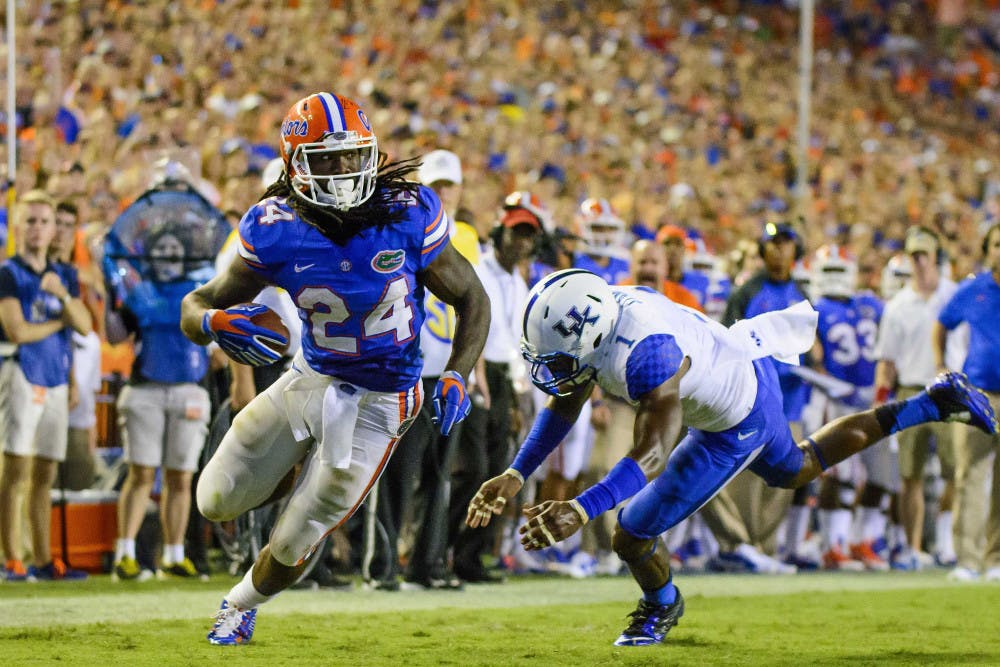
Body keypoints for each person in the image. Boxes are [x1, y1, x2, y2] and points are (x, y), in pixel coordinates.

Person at [467, 269, 997, 647]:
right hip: (735, 363)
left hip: (737, 415)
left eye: (557, 359)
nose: (552, 370)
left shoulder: (647, 351)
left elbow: (651, 455)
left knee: (630, 533)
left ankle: (660, 605)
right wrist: (516, 472)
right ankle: (932, 403)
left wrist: (580, 509)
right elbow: (567, 400)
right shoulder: (603, 314)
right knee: (797, 467)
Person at [180, 92, 489, 645]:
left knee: (297, 535)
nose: (344, 169)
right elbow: (196, 303)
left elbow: (473, 297)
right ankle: (293, 468)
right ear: (296, 164)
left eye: (353, 155)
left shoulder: (408, 212)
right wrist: (213, 323)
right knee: (215, 500)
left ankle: (239, 605)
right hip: (311, 377)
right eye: (327, 158)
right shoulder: (275, 226)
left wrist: (457, 373)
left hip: (383, 400)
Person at [374, 148, 479, 590]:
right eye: (436, 185)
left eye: (449, 185)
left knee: (440, 473)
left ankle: (426, 563)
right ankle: (382, 565)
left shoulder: (468, 236)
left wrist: (471, 370)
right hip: (409, 366)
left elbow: (472, 307)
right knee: (398, 473)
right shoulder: (404, 225)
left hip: (447, 367)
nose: (443, 193)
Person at [109, 223, 213, 581]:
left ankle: (173, 554)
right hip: (146, 389)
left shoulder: (200, 290)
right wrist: (111, 293)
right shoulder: (140, 292)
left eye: (175, 247)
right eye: (162, 247)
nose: (169, 253)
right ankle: (124, 553)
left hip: (188, 388)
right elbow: (115, 334)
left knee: (181, 476)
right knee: (141, 473)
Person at [0, 190, 92, 581]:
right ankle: (11, 558)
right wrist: (60, 320)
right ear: (17, 228)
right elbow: (17, 331)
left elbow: (85, 326)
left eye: (44, 221)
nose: (37, 229)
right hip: (21, 373)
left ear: (54, 229)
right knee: (15, 469)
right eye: (30, 221)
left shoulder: (63, 276)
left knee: (45, 473)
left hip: (55, 377)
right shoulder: (8, 273)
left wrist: (64, 297)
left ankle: (41, 556)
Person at [449, 195, 541, 584]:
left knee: (496, 470)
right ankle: (442, 550)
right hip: (478, 372)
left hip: (505, 378)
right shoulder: (478, 268)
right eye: (516, 233)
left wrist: (521, 391)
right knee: (471, 469)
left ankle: (471, 557)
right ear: (500, 232)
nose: (522, 242)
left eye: (528, 236)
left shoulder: (519, 281)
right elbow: (472, 325)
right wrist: (476, 374)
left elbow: (517, 340)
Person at [873, 227, 958, 568]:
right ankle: (914, 547)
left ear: (936, 257)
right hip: (911, 390)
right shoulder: (897, 306)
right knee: (909, 474)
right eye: (915, 255)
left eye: (925, 254)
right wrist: (880, 401)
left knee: (957, 470)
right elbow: (886, 362)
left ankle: (948, 542)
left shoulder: (954, 295)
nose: (920, 261)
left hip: (950, 389)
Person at [932, 222, 1000, 581]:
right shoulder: (972, 290)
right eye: (998, 244)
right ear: (988, 251)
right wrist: (940, 364)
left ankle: (996, 560)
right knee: (968, 476)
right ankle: (967, 561)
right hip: (979, 395)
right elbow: (941, 324)